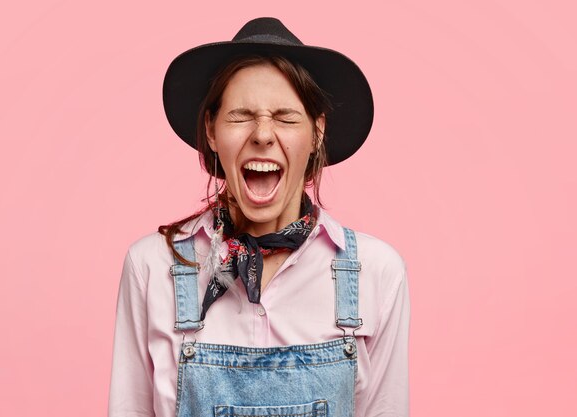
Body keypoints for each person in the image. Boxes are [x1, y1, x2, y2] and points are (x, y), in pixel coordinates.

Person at [108, 17, 410, 417]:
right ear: (212, 131)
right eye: (240, 115)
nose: (263, 134)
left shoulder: (377, 272)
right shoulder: (152, 267)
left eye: (285, 117)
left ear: (317, 131)